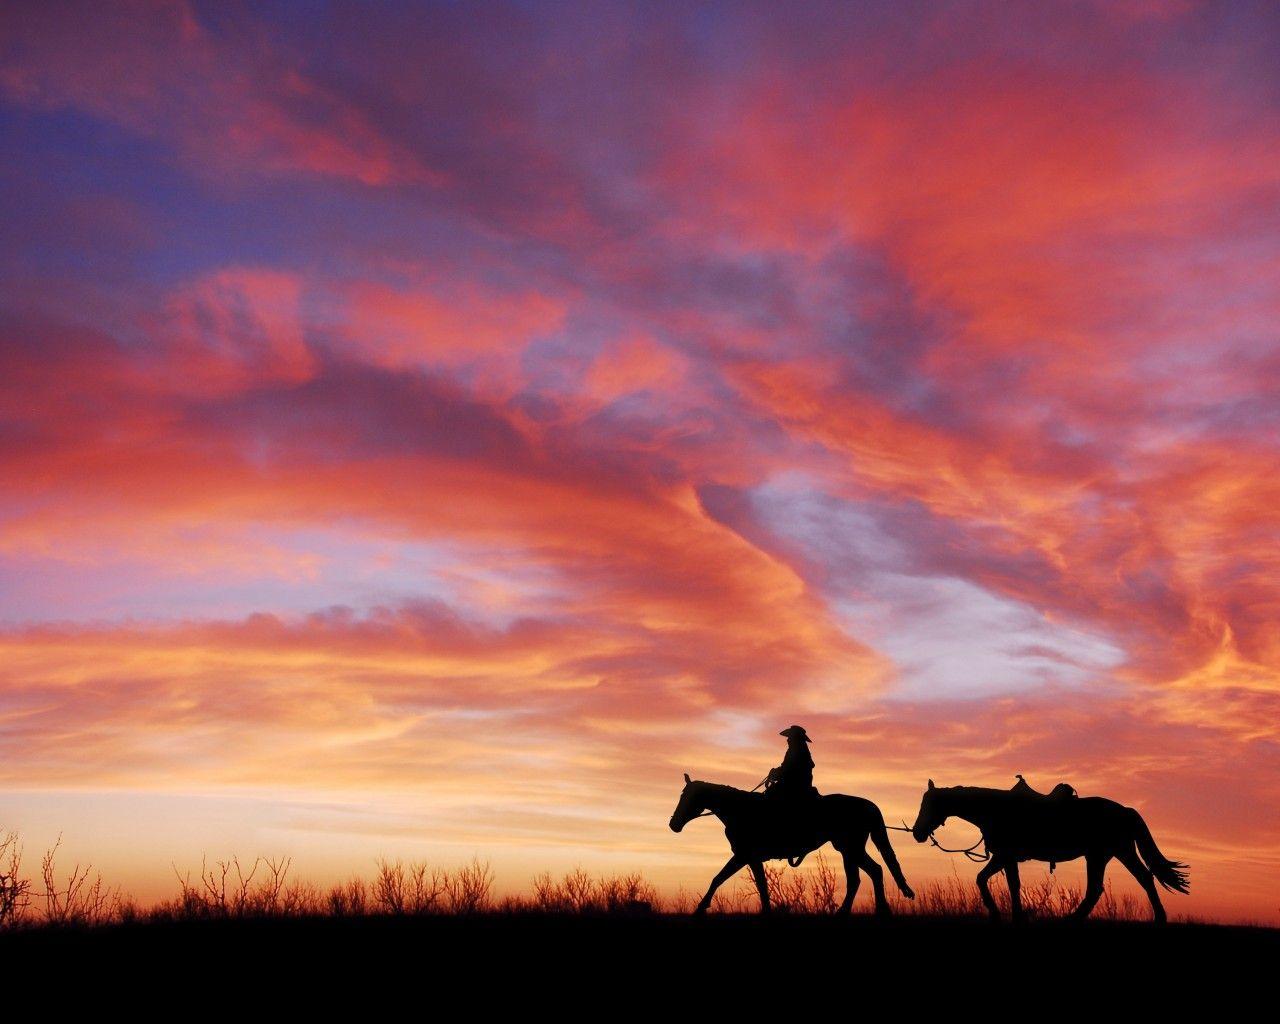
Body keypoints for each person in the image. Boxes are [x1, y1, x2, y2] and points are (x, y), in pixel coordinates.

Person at [765, 725, 818, 799]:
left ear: (795, 738)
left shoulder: (797, 751)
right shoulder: (799, 750)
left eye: (790, 737)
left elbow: (788, 770)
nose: (788, 739)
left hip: (794, 785)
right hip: (801, 784)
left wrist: (775, 772)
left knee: (770, 793)